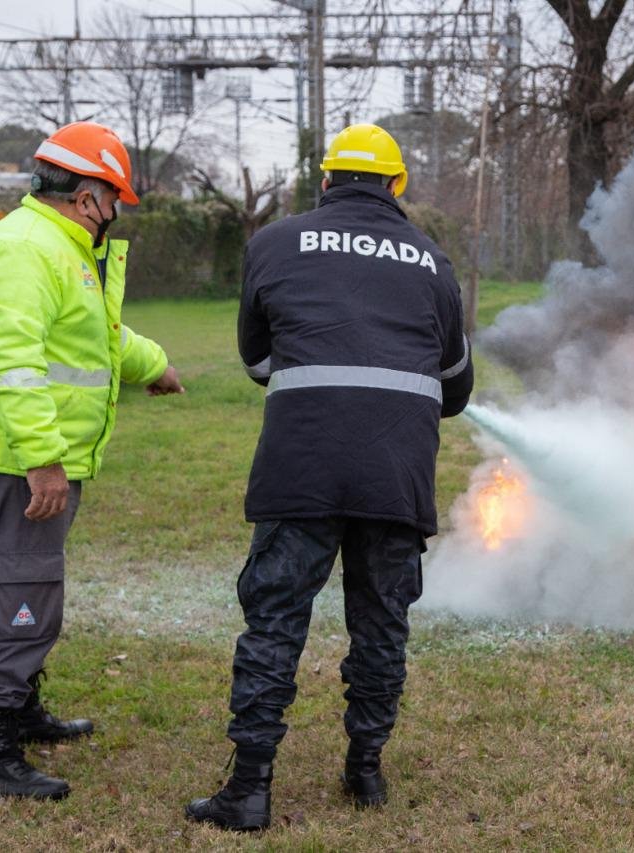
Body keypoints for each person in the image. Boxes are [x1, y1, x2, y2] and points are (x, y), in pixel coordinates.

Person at [186, 123, 473, 831]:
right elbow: (457, 389)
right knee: (381, 625)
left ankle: (249, 789)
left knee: (275, 621)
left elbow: (258, 362)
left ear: (324, 180)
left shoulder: (274, 244)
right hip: (396, 475)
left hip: (302, 466)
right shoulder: (435, 263)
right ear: (398, 187)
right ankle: (365, 770)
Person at [0, 121, 184, 800]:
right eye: (115, 200)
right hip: (13, 465)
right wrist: (43, 460)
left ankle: (19, 711)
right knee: (23, 598)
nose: (116, 213)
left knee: (25, 588)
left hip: (17, 459)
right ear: (87, 197)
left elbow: (93, 338)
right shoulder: (25, 251)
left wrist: (154, 365)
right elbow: (14, 364)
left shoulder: (56, 248)